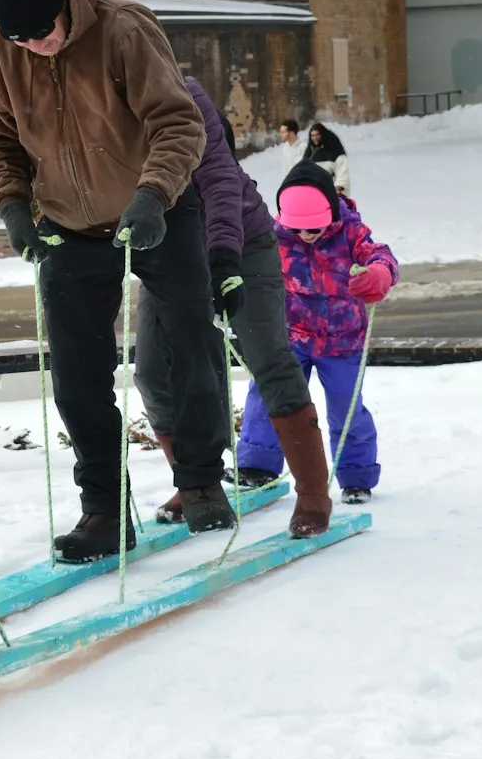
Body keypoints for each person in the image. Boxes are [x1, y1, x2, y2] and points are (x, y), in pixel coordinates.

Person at [0, 0, 236, 562]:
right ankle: (103, 509)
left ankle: (200, 479)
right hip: (68, 224)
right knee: (77, 374)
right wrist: (12, 209)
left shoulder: (124, 29)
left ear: (67, 5)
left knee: (190, 344)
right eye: (22, 38)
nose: (36, 45)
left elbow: (178, 123)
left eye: (45, 31)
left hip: (160, 209)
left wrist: (152, 195)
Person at [134, 79, 333, 538]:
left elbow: (222, 187)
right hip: (171, 253)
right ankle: (196, 482)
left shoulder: (179, 96)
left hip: (240, 242)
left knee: (268, 357)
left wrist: (224, 257)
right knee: (151, 370)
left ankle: (313, 492)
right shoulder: (98, 107)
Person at [236, 161, 396, 504]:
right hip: (291, 336)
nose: (306, 236)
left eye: (314, 229)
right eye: (299, 229)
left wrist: (379, 273)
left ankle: (355, 475)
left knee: (346, 407)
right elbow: (248, 265)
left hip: (344, 341)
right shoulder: (272, 237)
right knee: (267, 396)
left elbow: (380, 256)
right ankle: (256, 466)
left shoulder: (350, 232)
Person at [303, 121, 351, 195]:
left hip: (330, 194)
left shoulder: (335, 152)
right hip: (312, 194)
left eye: (317, 135)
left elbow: (342, 174)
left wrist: (339, 189)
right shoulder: (309, 153)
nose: (315, 138)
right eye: (312, 135)